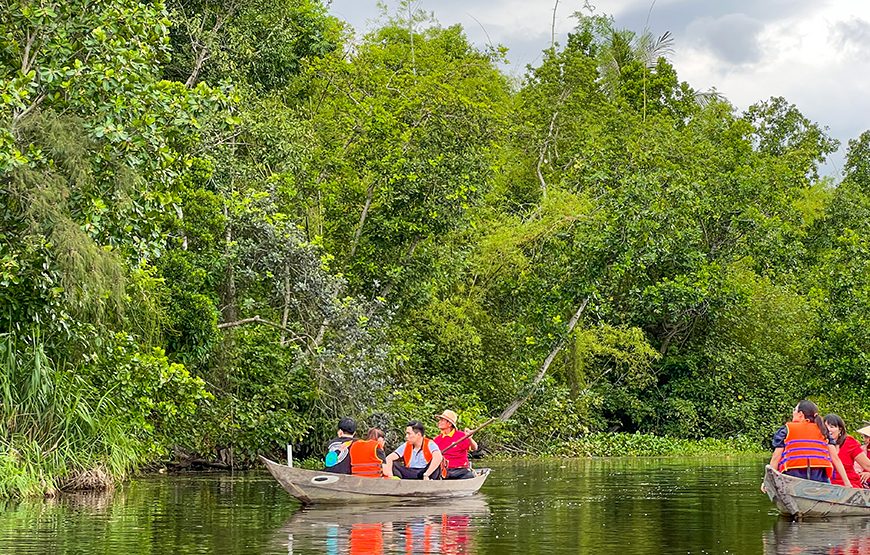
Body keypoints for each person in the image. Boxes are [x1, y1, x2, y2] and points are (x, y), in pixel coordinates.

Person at [766, 401, 852, 488]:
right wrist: (847, 483)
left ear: (800, 414)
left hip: (793, 475)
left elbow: (776, 457)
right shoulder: (823, 430)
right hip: (819, 476)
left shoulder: (787, 429)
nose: (793, 412)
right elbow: (835, 458)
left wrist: (767, 482)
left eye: (794, 410)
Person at [824, 414, 870, 488]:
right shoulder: (819, 443)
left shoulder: (849, 443)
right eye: (825, 427)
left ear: (840, 429)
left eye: (832, 427)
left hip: (849, 486)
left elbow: (867, 465)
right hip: (826, 487)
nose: (828, 429)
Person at [432, 409, 477, 479]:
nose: (439, 422)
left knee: (468, 476)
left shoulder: (461, 436)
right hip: (445, 471)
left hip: (460, 470)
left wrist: (470, 438)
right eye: (440, 420)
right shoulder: (437, 440)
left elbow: (475, 448)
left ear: (449, 424)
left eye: (442, 420)